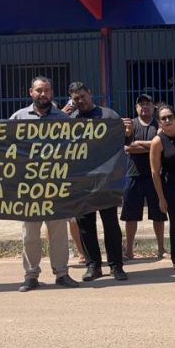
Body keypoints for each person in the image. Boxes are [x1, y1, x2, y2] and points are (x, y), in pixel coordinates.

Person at [0, 76, 79, 292]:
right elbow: (3, 143)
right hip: (27, 187)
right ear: (30, 92)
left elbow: (75, 147)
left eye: (47, 90)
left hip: (54, 184)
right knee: (30, 234)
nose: (43, 94)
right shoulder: (19, 117)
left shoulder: (62, 118)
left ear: (52, 93)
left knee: (59, 231)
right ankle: (31, 275)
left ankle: (62, 273)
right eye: (39, 90)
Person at [64, 81, 129, 282]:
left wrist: (126, 133)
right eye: (76, 98)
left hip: (107, 181)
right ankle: (93, 266)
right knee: (85, 226)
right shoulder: (70, 120)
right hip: (81, 182)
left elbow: (123, 144)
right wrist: (62, 117)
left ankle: (116, 266)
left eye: (83, 96)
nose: (80, 101)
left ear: (90, 93)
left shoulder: (109, 116)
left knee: (110, 224)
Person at [122, 93, 168, 260]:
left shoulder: (159, 123)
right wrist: (151, 146)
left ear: (152, 106)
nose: (144, 107)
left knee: (158, 214)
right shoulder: (131, 124)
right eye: (141, 104)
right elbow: (127, 148)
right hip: (133, 174)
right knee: (130, 215)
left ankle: (161, 249)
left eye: (147, 103)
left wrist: (137, 144)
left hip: (155, 175)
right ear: (136, 107)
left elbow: (161, 145)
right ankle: (128, 251)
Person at [149, 104, 175, 272]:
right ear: (159, 122)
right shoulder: (158, 142)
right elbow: (154, 172)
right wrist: (161, 198)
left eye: (169, 117)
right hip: (169, 185)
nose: (167, 120)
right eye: (163, 118)